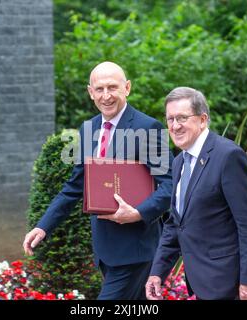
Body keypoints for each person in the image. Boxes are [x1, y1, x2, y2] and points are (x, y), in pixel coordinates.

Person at [23, 61, 174, 300]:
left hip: (135, 248)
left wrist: (137, 213)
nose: (106, 96)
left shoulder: (148, 128)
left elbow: (170, 186)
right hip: (105, 249)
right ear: (90, 92)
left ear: (127, 88)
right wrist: (44, 226)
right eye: (100, 89)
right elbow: (75, 186)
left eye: (112, 88)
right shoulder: (88, 129)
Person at [145, 87, 247, 300]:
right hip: (203, 284)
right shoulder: (180, 161)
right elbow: (176, 222)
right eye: (170, 119)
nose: (175, 125)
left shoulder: (228, 156)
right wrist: (157, 272)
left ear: (203, 119)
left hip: (233, 285)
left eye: (182, 118)